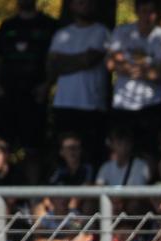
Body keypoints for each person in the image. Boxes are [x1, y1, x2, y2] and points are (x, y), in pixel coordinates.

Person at [47, 0, 110, 164]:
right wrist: (79, 60)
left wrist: (64, 61)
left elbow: (89, 60)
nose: (85, 5)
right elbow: (52, 65)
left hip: (91, 104)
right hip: (64, 103)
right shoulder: (61, 34)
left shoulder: (101, 32)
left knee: (90, 154)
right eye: (80, 2)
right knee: (62, 155)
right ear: (72, 6)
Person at [0, 0, 58, 152]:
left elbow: (55, 60)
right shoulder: (7, 25)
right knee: (3, 143)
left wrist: (47, 84)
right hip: (8, 92)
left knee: (33, 146)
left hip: (35, 93)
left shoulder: (49, 25)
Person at [107, 0, 161, 158]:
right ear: (136, 11)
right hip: (123, 104)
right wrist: (145, 70)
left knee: (149, 153)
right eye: (144, 11)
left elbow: (159, 74)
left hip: (151, 105)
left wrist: (127, 68)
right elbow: (111, 63)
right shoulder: (122, 32)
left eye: (151, 12)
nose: (147, 16)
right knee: (120, 152)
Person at [96, 127, 153, 213]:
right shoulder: (105, 167)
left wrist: (121, 200)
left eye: (126, 143)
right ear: (112, 145)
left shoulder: (141, 165)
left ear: (131, 144)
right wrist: (112, 200)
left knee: (134, 205)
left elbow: (139, 192)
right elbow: (98, 187)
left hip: (129, 210)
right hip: (110, 207)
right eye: (119, 143)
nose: (123, 147)